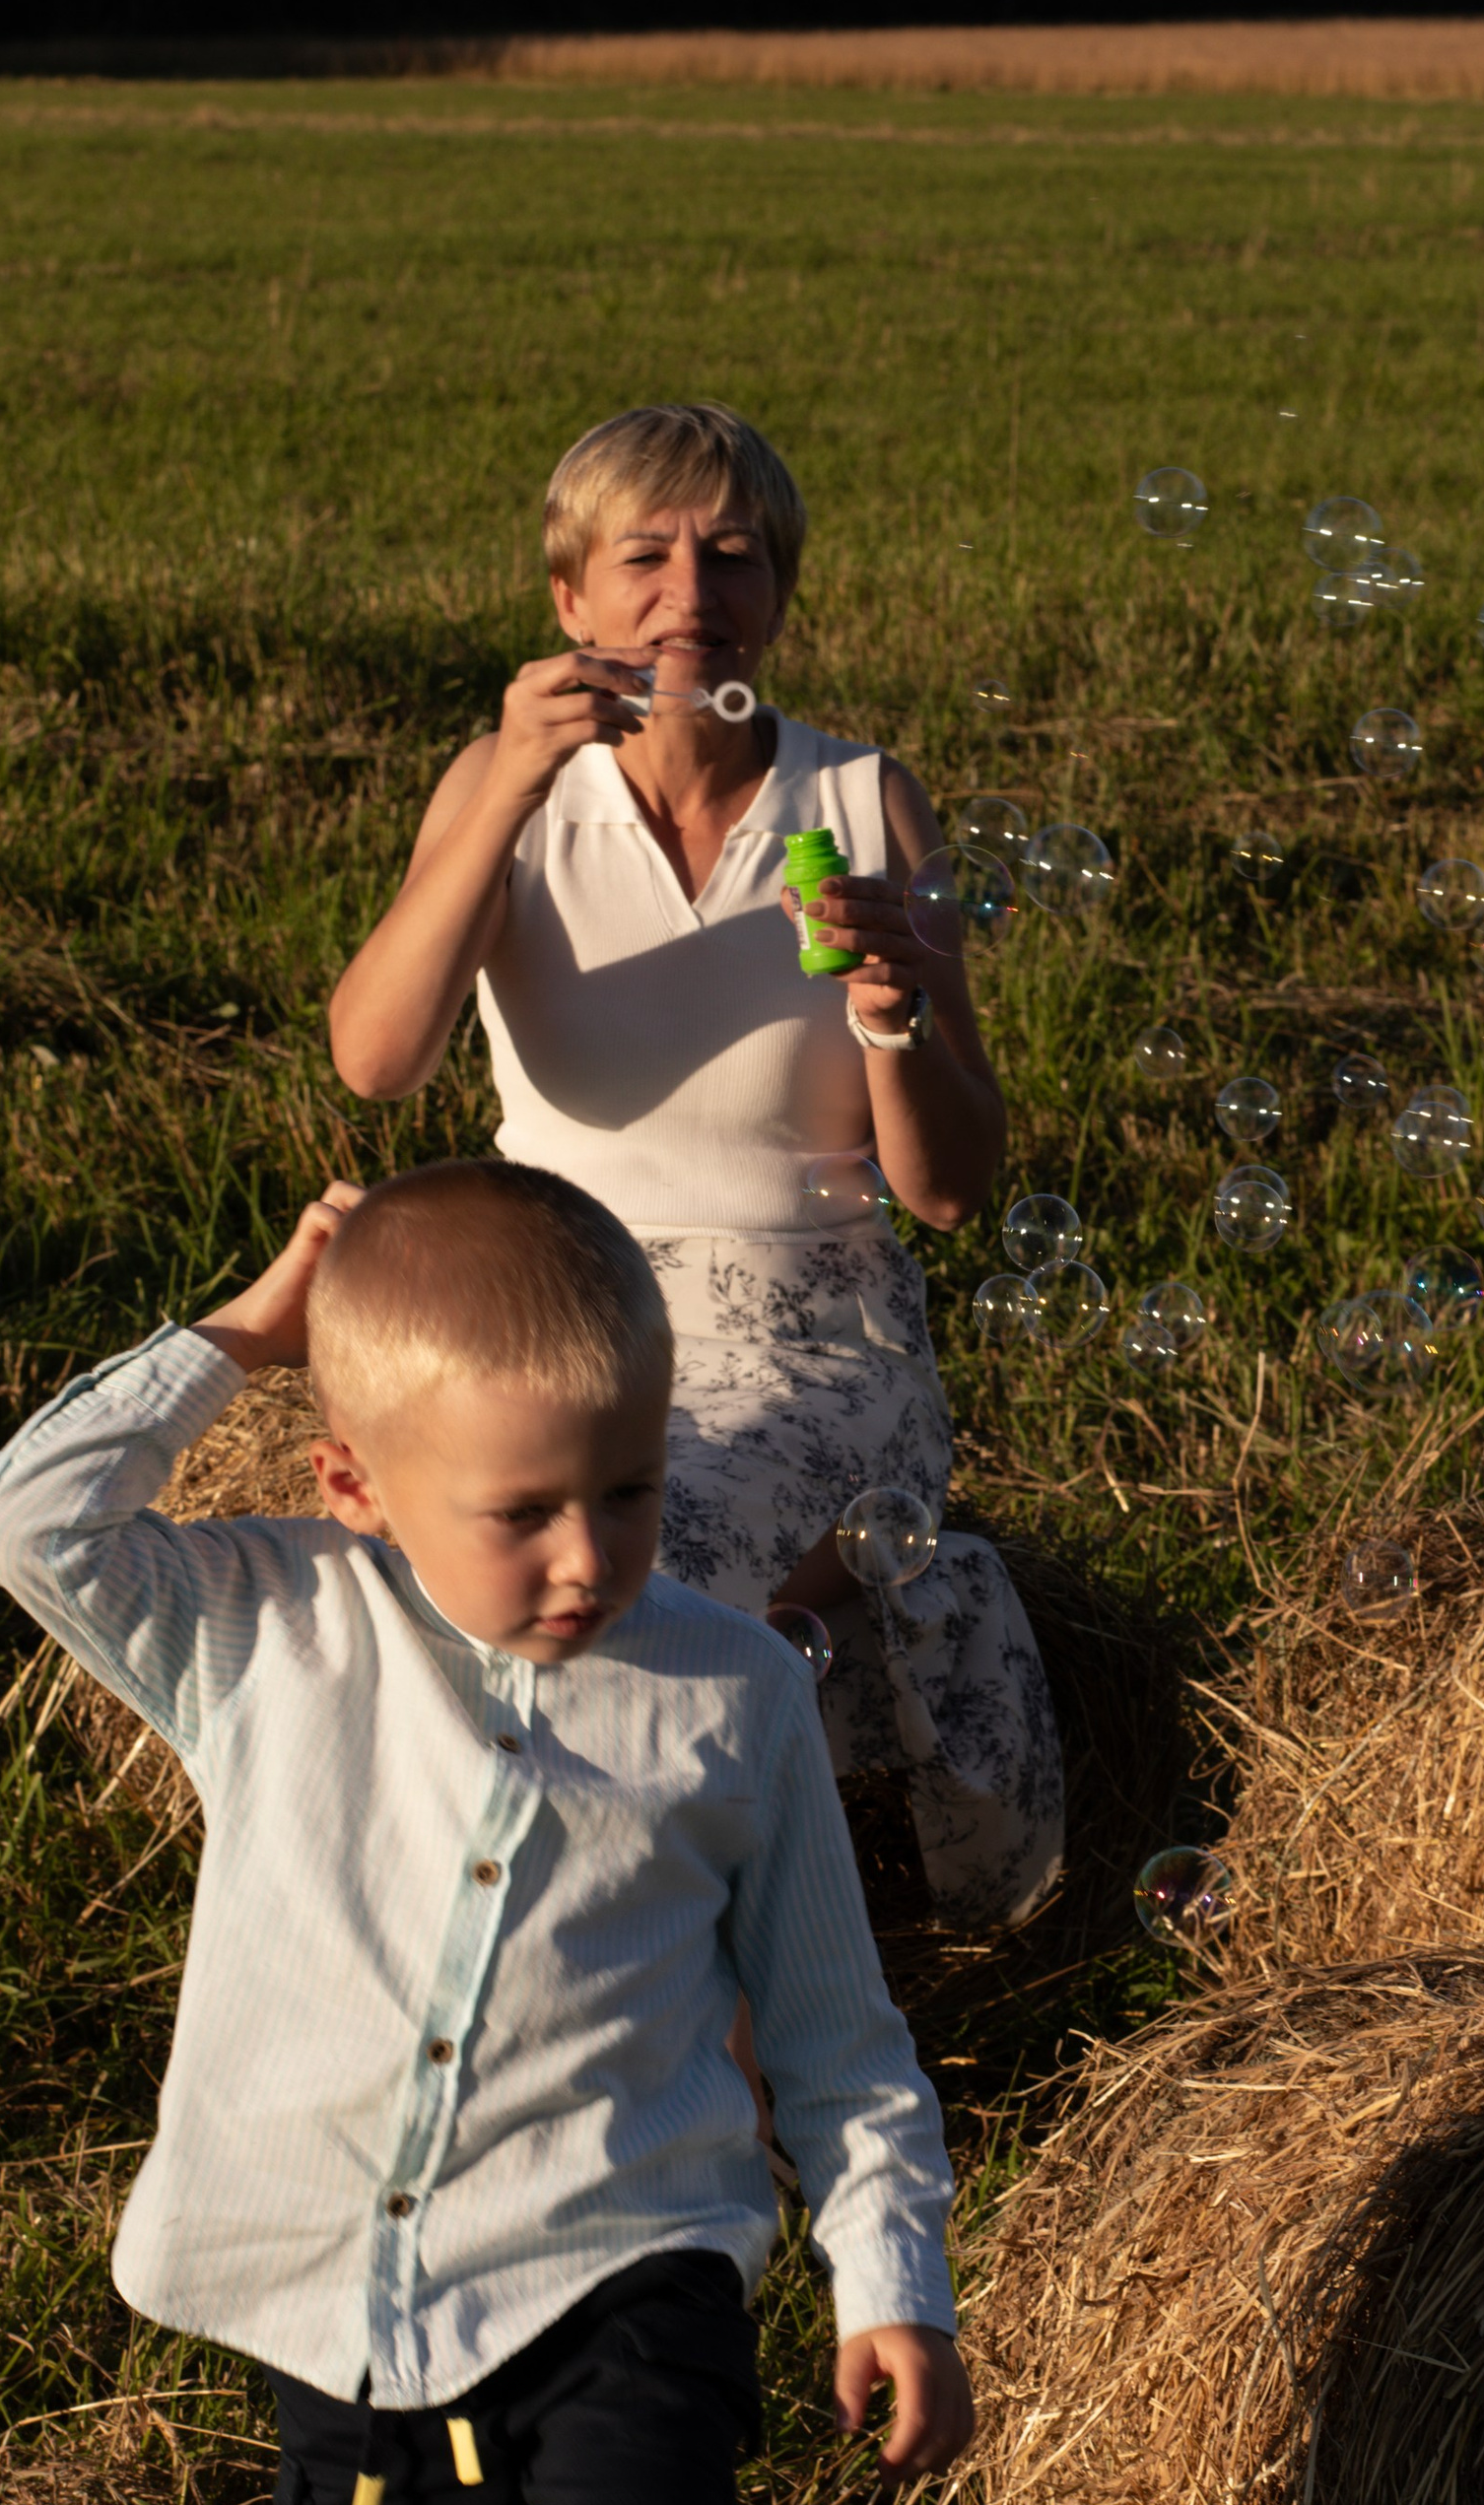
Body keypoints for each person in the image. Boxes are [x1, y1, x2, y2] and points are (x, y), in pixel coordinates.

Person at [0, 1158, 972, 2505]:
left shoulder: (729, 1693)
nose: (588, 1551)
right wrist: (238, 1333)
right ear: (349, 1480)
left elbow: (839, 2032)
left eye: (618, 1483)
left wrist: (894, 2275)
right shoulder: (263, 1636)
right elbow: (21, 1524)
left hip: (623, 2263)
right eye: (521, 1509)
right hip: (352, 2311)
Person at [329, 403, 1062, 1930]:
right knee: (423, 1581)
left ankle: (659, 1963)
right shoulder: (500, 787)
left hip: (809, 1322)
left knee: (643, 1575)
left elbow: (948, 1188)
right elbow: (377, 1057)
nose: (690, 591)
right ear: (569, 600)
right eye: (643, 554)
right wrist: (512, 794)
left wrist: (894, 1014)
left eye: (733, 554)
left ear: (778, 594)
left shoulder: (862, 803)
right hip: (554, 1293)